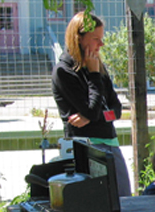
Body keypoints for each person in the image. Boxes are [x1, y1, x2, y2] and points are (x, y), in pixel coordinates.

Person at [52, 12, 131, 197]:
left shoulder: (98, 66)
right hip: (84, 147)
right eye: (96, 39)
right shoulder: (64, 72)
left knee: (124, 197)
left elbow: (116, 111)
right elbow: (91, 109)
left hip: (110, 143)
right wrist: (94, 75)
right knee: (94, 202)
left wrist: (97, 117)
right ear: (78, 38)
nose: (101, 44)